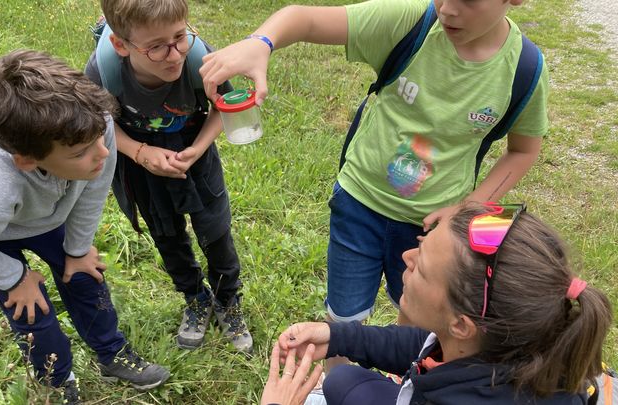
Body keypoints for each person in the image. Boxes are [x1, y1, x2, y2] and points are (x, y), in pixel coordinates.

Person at [200, 0, 550, 351]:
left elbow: (522, 150)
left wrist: (468, 208)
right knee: (343, 317)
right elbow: (304, 19)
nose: (447, 9)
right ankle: (335, 385)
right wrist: (261, 41)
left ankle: (404, 382)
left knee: (418, 321)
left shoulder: (525, 69)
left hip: (433, 231)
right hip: (359, 204)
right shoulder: (410, 22)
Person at [0, 50, 171, 404]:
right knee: (31, 308)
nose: (103, 152)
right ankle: (56, 378)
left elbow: (93, 187)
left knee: (86, 275)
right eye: (82, 152)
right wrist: (14, 277)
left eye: (101, 139)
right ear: (27, 160)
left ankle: (112, 353)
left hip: (38, 208)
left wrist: (78, 250)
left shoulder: (93, 124)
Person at [259, 202, 613, 405]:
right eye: (421, 244)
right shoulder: (520, 338)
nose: (406, 257)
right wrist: (338, 337)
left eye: (422, 268)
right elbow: (427, 343)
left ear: (462, 324)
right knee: (341, 382)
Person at [84, 0, 253, 353]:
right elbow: (100, 124)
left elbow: (226, 106)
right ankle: (195, 298)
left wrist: (199, 147)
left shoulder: (201, 59)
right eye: (156, 47)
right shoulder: (102, 71)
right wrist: (141, 154)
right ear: (121, 45)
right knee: (165, 232)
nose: (175, 55)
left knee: (215, 229)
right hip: (140, 162)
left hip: (194, 149)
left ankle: (227, 301)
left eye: (180, 37)